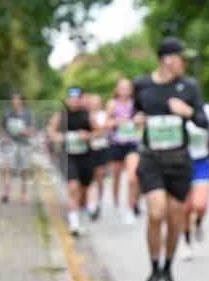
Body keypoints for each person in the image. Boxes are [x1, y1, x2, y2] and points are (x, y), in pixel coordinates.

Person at [133, 37, 207, 281]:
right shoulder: (141, 85)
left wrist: (187, 112)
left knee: (175, 218)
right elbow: (135, 114)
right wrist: (137, 119)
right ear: (167, 59)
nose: (184, 63)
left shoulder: (189, 87)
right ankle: (153, 269)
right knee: (156, 213)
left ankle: (168, 268)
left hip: (179, 162)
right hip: (152, 159)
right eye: (181, 57)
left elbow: (204, 121)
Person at [47, 88, 97, 237]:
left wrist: (88, 135)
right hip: (68, 157)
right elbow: (50, 129)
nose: (73, 101)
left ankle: (77, 214)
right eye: (71, 98)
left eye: (77, 98)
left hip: (86, 157)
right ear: (67, 99)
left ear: (81, 100)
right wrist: (57, 135)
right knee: (72, 187)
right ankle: (74, 225)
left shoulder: (88, 115)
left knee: (82, 191)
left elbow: (99, 132)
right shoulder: (61, 115)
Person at [180, 100, 209, 260]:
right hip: (181, 163)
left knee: (200, 205)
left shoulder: (207, 110)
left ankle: (198, 223)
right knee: (185, 207)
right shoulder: (175, 109)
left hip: (202, 162)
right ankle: (187, 242)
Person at [106, 78, 142, 226]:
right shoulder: (112, 104)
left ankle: (130, 209)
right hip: (116, 144)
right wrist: (117, 122)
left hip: (132, 144)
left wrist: (137, 122)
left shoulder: (136, 104)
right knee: (116, 178)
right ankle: (115, 209)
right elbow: (106, 124)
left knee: (133, 177)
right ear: (117, 88)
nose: (125, 88)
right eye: (122, 86)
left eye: (128, 86)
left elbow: (142, 122)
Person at [0, 91, 35, 203]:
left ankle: (23, 193)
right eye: (13, 99)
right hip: (10, 145)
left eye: (18, 99)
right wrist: (6, 135)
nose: (16, 102)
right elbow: (1, 130)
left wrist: (25, 131)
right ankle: (6, 193)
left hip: (23, 145)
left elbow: (32, 130)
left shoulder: (27, 114)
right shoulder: (6, 114)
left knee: (24, 170)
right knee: (8, 167)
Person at [85, 92, 110, 221]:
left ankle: (98, 201)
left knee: (99, 179)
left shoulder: (104, 115)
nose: (94, 105)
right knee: (91, 179)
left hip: (102, 150)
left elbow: (105, 130)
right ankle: (91, 205)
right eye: (92, 102)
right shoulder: (85, 116)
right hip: (89, 151)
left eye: (96, 102)